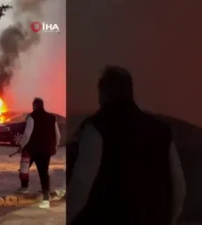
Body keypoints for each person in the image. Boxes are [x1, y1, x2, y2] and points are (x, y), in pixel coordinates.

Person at [68, 66, 186, 225]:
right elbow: (179, 187)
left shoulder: (97, 128)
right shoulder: (161, 131)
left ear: (103, 93)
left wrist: (68, 217)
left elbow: (81, 184)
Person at [15, 97, 61, 209]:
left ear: (35, 105)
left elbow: (27, 134)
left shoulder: (32, 116)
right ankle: (46, 197)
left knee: (24, 168)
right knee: (44, 172)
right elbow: (58, 135)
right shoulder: (52, 118)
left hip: (32, 149)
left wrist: (21, 146)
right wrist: (55, 147)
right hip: (46, 150)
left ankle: (24, 188)